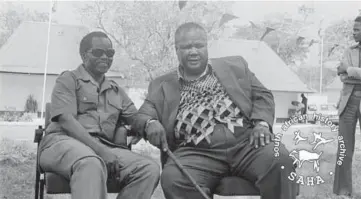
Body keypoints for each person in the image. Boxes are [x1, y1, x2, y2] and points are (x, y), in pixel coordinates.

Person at [133, 22, 297, 199]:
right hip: (195, 152)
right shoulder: (162, 84)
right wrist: (150, 123)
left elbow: (262, 94)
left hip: (247, 143)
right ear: (176, 49)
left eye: (199, 45)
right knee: (174, 178)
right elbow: (143, 114)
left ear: (206, 46)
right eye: (187, 47)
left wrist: (262, 124)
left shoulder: (235, 66)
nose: (194, 51)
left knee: (281, 160)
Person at [38, 31, 160, 199]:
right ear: (83, 55)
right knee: (91, 162)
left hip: (103, 147)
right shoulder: (68, 79)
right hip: (62, 142)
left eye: (110, 53)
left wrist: (150, 123)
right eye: (98, 52)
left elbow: (137, 118)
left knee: (148, 169)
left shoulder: (116, 91)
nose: (105, 57)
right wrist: (101, 151)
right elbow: (66, 120)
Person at [334, 15, 361, 197]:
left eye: (357, 29)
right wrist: (349, 73)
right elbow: (340, 72)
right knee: (344, 148)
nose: (353, 33)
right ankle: (343, 191)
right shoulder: (348, 50)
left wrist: (351, 70)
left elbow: (346, 72)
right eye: (353, 29)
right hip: (348, 101)